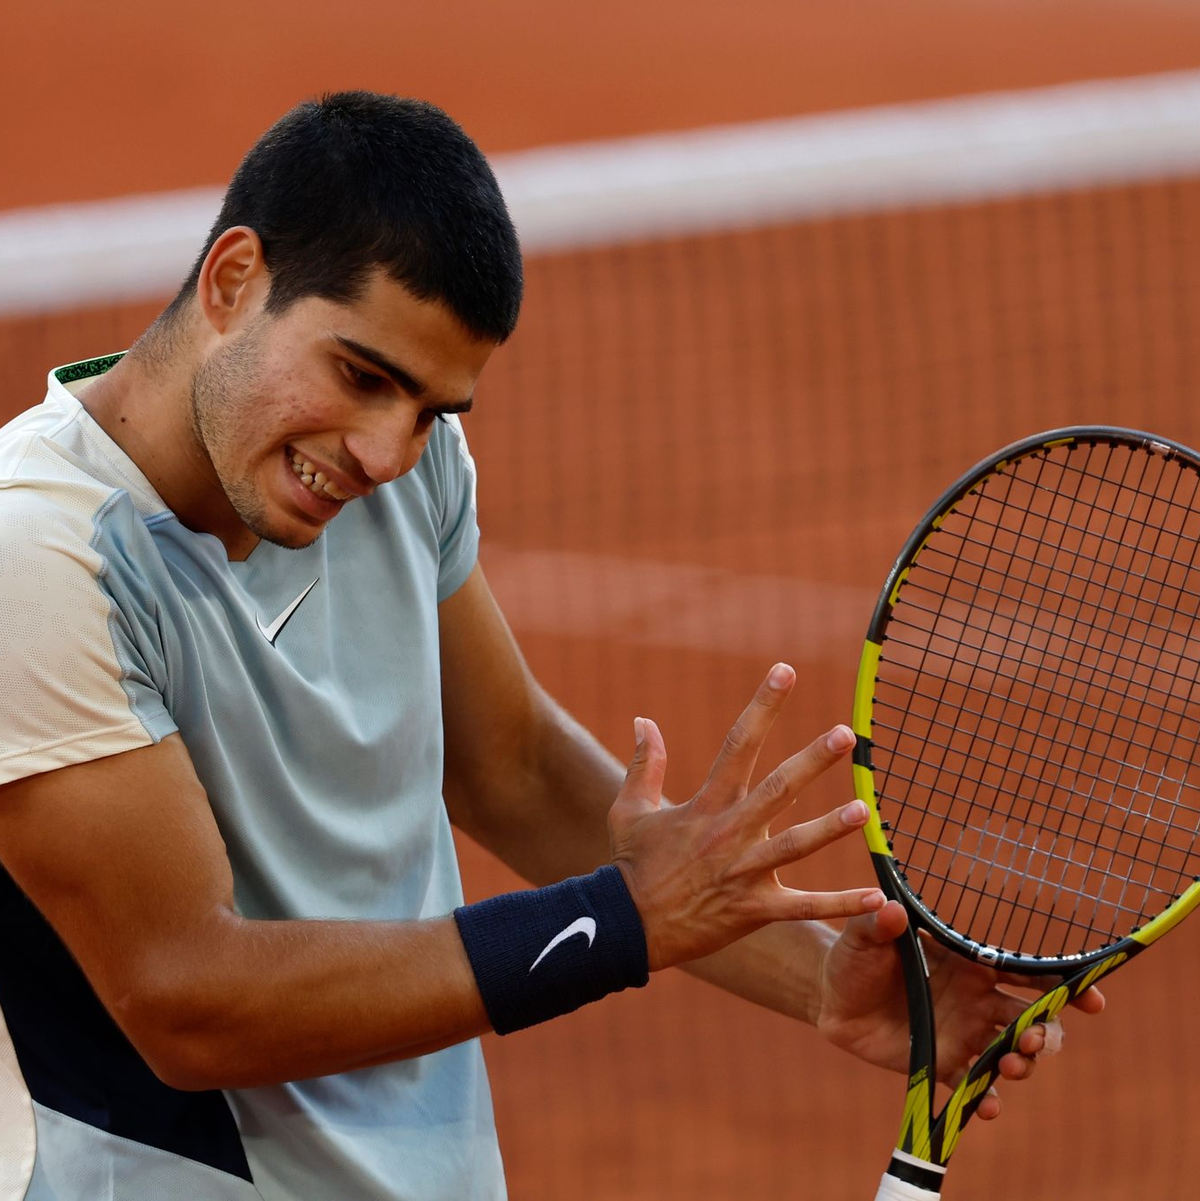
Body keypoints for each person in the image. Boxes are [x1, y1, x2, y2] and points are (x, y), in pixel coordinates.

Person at [0, 92, 1099, 1201]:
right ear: (235, 281)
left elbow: (510, 766)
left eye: (433, 407)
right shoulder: (39, 556)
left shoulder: (400, 466)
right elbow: (189, 998)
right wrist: (618, 920)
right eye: (363, 376)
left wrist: (819, 982)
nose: (387, 451)